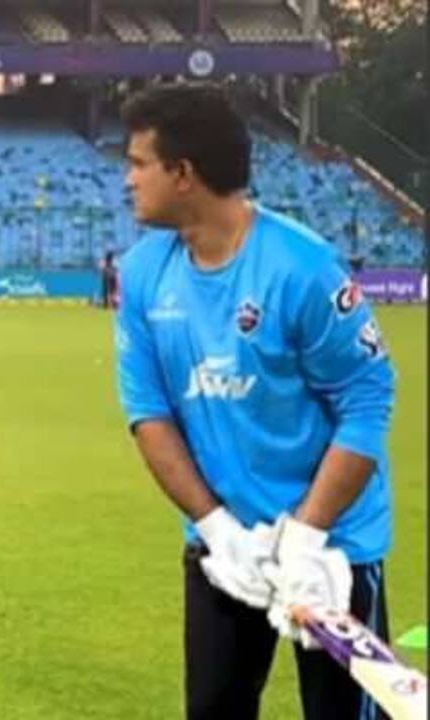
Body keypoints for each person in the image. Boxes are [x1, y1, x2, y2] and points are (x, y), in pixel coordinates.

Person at [114, 83, 396, 720]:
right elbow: (149, 414)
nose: (127, 180)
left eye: (137, 163)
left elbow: (367, 399)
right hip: (227, 550)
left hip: (331, 552)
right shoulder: (140, 274)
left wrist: (307, 535)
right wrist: (216, 527)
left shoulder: (301, 267)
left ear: (182, 173)